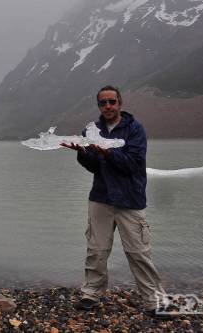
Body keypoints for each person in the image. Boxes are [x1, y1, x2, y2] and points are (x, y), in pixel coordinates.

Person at [61, 85, 165, 316]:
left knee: (139, 253)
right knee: (96, 250)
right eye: (103, 103)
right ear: (98, 105)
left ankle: (154, 300)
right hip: (101, 197)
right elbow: (95, 167)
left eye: (111, 102)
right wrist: (82, 153)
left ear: (120, 103)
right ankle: (91, 295)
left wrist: (108, 152)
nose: (107, 106)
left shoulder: (135, 130)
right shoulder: (92, 129)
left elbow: (133, 164)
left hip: (131, 199)